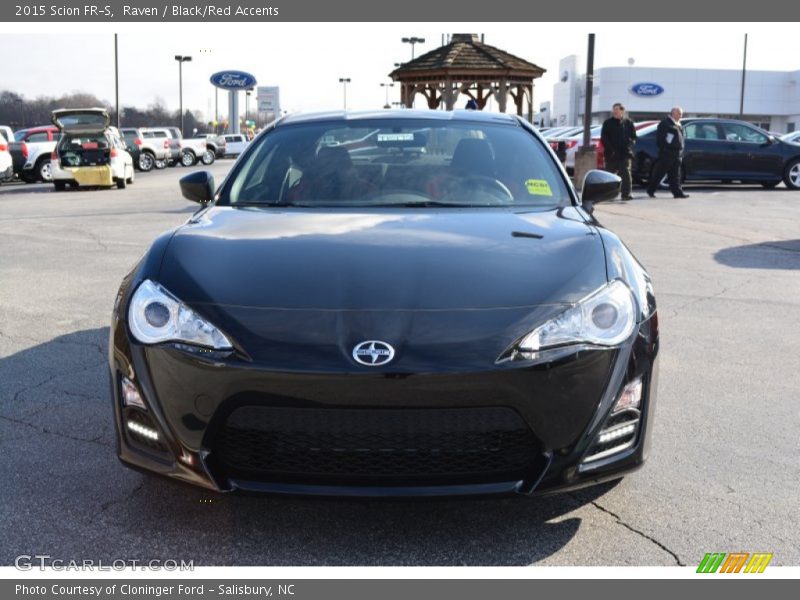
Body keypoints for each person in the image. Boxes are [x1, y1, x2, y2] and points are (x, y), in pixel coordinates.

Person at [647, 107, 690, 198]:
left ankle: (678, 193)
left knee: (675, 175)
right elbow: (660, 140)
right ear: (673, 113)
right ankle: (650, 190)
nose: (680, 116)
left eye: (681, 114)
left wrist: (680, 150)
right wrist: (667, 150)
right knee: (660, 173)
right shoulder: (665, 123)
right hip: (667, 154)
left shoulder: (678, 124)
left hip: (677, 154)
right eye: (679, 113)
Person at [600, 103, 637, 200]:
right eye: (614, 109)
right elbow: (604, 138)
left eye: (617, 109)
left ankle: (626, 194)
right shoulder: (607, 123)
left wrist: (629, 144)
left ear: (622, 111)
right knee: (609, 175)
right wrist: (610, 149)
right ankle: (608, 195)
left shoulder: (628, 123)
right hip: (611, 153)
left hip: (624, 153)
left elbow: (633, 137)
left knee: (626, 174)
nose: (615, 111)